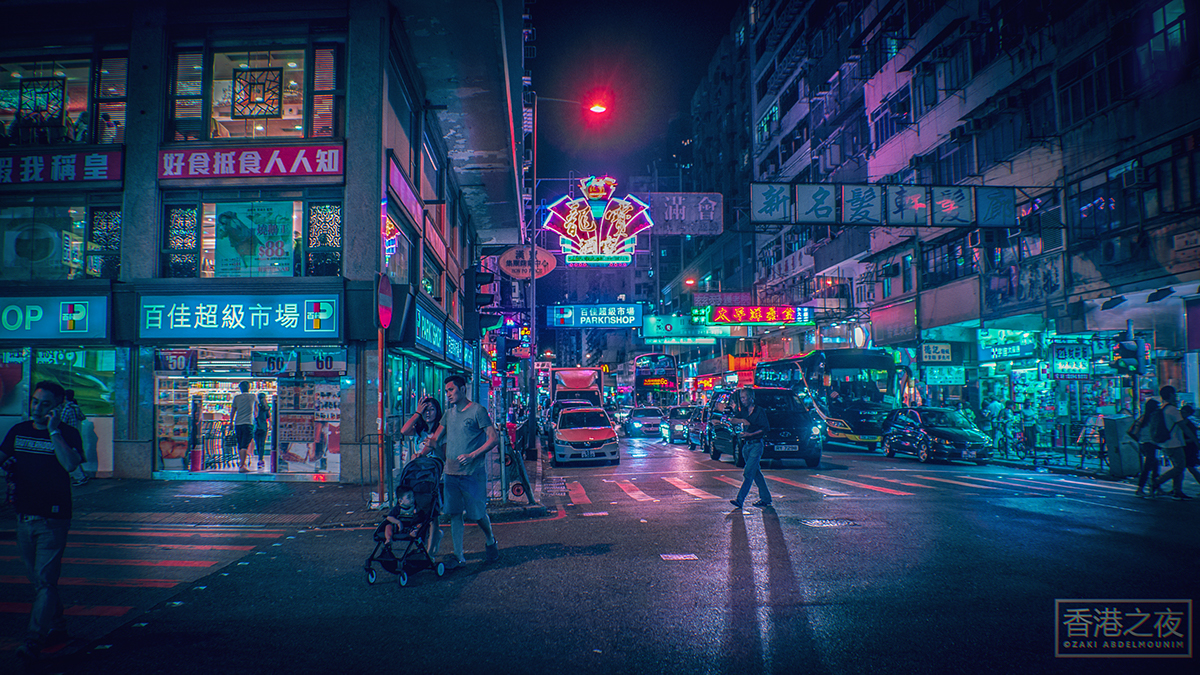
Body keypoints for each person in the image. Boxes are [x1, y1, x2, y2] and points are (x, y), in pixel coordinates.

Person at [0, 381, 85, 660]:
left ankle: (34, 639)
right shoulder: (18, 431)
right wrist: (8, 465)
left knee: (46, 581)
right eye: (35, 401)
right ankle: (59, 626)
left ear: (57, 406)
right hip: (23, 517)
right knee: (39, 581)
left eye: (45, 404)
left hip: (52, 518)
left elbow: (71, 464)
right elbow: (3, 457)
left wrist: (54, 431)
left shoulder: (68, 433)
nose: (38, 408)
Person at [419, 375, 499, 569]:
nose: (448, 395)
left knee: (477, 514)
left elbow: (493, 438)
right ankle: (458, 555)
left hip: (473, 473)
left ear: (463, 389)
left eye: (451, 390)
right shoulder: (448, 414)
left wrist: (473, 455)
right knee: (454, 514)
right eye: (446, 391)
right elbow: (436, 438)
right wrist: (422, 453)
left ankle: (490, 539)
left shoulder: (478, 411)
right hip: (451, 473)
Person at [728, 388, 771, 509]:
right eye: (741, 398)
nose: (743, 400)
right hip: (746, 446)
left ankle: (740, 499)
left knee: (748, 473)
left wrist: (750, 434)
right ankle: (766, 498)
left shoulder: (759, 411)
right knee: (756, 473)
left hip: (756, 444)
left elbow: (765, 428)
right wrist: (742, 420)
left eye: (744, 397)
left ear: (751, 397)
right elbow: (732, 420)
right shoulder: (744, 411)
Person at [1151, 386, 1192, 500]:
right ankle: (1157, 482)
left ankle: (1177, 490)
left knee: (1178, 467)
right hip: (1174, 443)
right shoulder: (1173, 410)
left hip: (1166, 442)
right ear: (1170, 395)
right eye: (1174, 394)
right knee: (1179, 467)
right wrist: (1195, 440)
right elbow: (1184, 427)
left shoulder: (1163, 408)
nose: (1175, 396)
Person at [1133, 399, 1162, 498]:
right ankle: (1141, 488)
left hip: (1144, 443)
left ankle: (1156, 487)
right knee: (1149, 466)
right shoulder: (1153, 418)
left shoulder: (1143, 417)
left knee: (1154, 464)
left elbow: (1137, 431)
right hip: (1150, 443)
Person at [60, 390, 89, 486]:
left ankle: (80, 477)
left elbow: (62, 422)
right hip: (76, 434)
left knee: (69, 456)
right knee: (75, 454)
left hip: (68, 436)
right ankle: (81, 475)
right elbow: (82, 417)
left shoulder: (67, 409)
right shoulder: (76, 407)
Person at [230, 382, 256, 472]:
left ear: (240, 388)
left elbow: (233, 411)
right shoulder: (253, 397)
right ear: (249, 387)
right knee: (245, 444)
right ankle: (242, 465)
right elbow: (256, 411)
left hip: (238, 423)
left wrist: (231, 423)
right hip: (248, 423)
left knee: (240, 444)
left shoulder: (236, 398)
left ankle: (242, 463)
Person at [253, 392, 270, 471]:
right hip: (264, 427)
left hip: (256, 427)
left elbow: (255, 415)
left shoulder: (256, 406)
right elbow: (269, 417)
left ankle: (259, 458)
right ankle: (261, 459)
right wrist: (271, 425)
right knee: (262, 443)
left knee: (257, 443)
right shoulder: (266, 407)